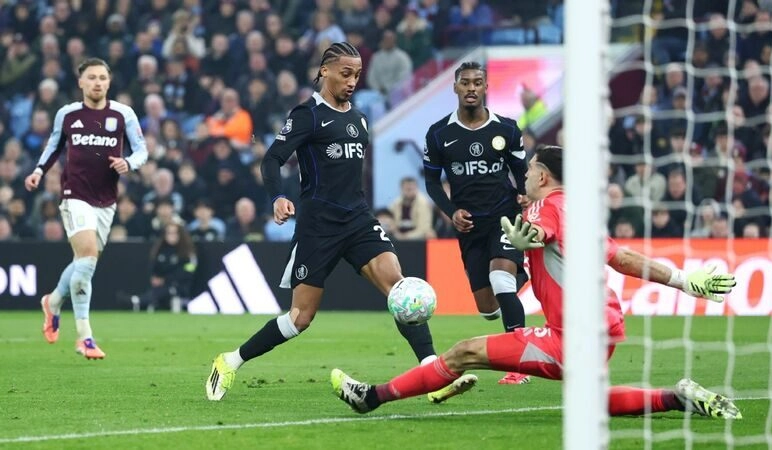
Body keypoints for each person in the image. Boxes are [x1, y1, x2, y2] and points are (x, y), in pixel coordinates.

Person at [331, 145, 742, 420]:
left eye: (529, 170)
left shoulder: (543, 207)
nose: (524, 176)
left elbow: (542, 230)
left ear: (542, 176)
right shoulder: (580, 210)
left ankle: (373, 397)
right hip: (607, 326)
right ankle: (678, 397)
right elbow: (622, 258)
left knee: (462, 353)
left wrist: (535, 235)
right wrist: (686, 281)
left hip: (572, 335)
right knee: (588, 402)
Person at [205, 42, 440, 401]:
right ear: (325, 70)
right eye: (346, 73)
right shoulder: (308, 115)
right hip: (319, 226)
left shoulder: (359, 118)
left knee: (400, 290)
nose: (352, 81)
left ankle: (432, 371)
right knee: (299, 318)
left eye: (357, 75)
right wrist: (278, 197)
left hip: (358, 220)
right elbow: (271, 160)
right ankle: (230, 361)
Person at [24, 58, 148, 359]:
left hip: (106, 199)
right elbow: (53, 145)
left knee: (84, 263)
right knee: (88, 257)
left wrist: (128, 163)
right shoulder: (68, 114)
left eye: (102, 78)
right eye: (91, 77)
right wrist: (39, 171)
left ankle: (52, 302)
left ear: (109, 81)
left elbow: (142, 149)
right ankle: (85, 337)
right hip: (75, 194)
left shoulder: (123, 114)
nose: (97, 83)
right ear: (81, 82)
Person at [423, 61, 531, 384]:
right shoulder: (439, 133)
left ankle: (520, 365)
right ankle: (521, 275)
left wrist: (525, 196)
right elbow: (431, 182)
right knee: (487, 307)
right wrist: (451, 211)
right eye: (465, 83)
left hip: (504, 218)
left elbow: (523, 174)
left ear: (486, 88)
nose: (471, 88)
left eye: (477, 83)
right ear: (455, 88)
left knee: (501, 281)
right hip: (469, 228)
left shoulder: (507, 129)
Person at [134, 222, 197, 312]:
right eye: (169, 233)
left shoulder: (188, 253)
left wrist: (166, 279)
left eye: (174, 233)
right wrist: (154, 277)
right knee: (158, 290)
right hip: (161, 286)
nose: (171, 236)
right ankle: (139, 301)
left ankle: (137, 301)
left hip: (180, 287)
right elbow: (153, 267)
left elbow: (189, 271)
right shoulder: (160, 250)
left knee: (163, 290)